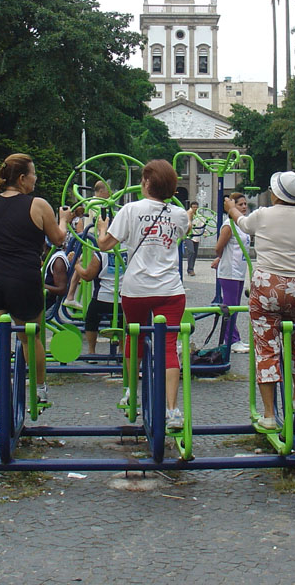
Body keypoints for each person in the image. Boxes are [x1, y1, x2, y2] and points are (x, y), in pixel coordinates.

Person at [0, 154, 73, 431]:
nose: (36, 179)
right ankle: (39, 389)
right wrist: (64, 219)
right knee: (31, 337)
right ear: (23, 178)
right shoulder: (38, 205)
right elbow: (58, 238)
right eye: (33, 174)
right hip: (22, 276)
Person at [224, 171, 295, 430]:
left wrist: (231, 209)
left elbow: (242, 223)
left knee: (266, 348)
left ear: (274, 195)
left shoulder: (263, 214)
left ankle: (269, 414)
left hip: (267, 285)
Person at [96, 159, 190, 430]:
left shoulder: (130, 209)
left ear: (147, 183)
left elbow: (105, 245)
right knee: (168, 345)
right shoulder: (179, 214)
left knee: (133, 336)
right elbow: (183, 232)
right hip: (170, 289)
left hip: (136, 288)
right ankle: (172, 410)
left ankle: (131, 392)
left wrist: (101, 229)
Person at [212, 192, 251, 353]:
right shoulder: (229, 225)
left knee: (235, 307)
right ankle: (231, 340)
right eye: (240, 204)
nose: (244, 207)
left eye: (245, 204)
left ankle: (235, 338)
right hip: (230, 271)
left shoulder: (242, 224)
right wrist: (221, 258)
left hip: (239, 271)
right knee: (231, 307)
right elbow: (218, 247)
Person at [74, 247, 122, 358]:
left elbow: (87, 276)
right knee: (124, 319)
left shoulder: (101, 253)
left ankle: (91, 351)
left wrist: (76, 265)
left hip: (102, 297)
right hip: (123, 297)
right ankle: (122, 351)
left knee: (91, 319)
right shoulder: (129, 250)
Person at [184, 201, 204, 276]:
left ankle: (191, 268)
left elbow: (202, 225)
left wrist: (204, 232)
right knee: (191, 251)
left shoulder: (200, 216)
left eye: (196, 207)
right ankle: (190, 269)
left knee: (194, 254)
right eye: (193, 207)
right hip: (188, 236)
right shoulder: (187, 214)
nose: (195, 209)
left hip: (196, 236)